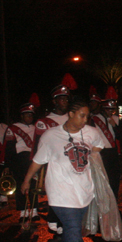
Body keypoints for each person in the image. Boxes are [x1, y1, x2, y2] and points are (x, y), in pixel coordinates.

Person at [20, 98, 106, 242]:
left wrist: (94, 156)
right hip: (60, 193)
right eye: (82, 116)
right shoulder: (50, 136)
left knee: (70, 231)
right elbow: (38, 160)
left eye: (87, 117)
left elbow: (99, 145)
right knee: (73, 230)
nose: (85, 120)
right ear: (71, 114)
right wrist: (27, 180)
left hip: (83, 191)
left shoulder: (91, 132)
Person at [35, 78, 74, 233]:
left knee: (70, 193)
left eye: (66, 98)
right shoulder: (43, 121)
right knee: (56, 192)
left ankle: (63, 220)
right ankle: (54, 219)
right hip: (53, 164)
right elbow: (37, 146)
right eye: (61, 98)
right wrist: (36, 169)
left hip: (71, 162)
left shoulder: (73, 118)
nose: (64, 101)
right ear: (54, 101)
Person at [4, 101, 37, 218]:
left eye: (31, 115)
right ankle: (23, 211)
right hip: (18, 159)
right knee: (20, 185)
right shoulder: (13, 128)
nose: (30, 117)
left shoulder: (36, 127)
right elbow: (9, 147)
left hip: (32, 159)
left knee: (33, 184)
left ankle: (34, 210)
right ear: (22, 116)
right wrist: (8, 164)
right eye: (27, 115)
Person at [91, 92, 121, 201]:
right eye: (108, 109)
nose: (110, 111)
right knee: (102, 177)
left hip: (113, 152)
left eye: (112, 109)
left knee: (114, 178)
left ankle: (114, 200)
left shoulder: (116, 119)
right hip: (101, 152)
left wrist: (113, 124)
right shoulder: (94, 119)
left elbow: (121, 135)